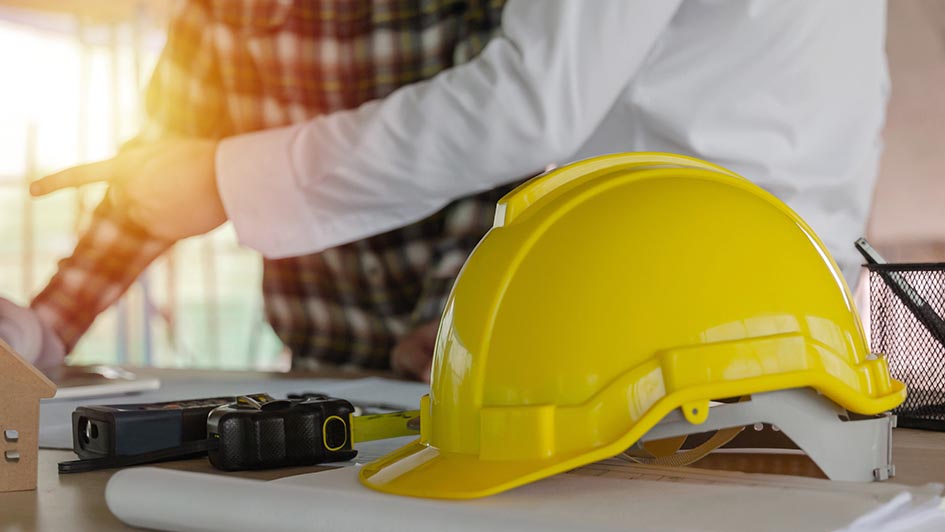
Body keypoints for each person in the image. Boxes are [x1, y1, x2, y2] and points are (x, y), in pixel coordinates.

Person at [31, 0, 890, 380]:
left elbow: (521, 122)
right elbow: (151, 177)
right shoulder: (214, 12)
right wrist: (47, 325)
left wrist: (465, 325)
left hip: (517, 357)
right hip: (345, 361)